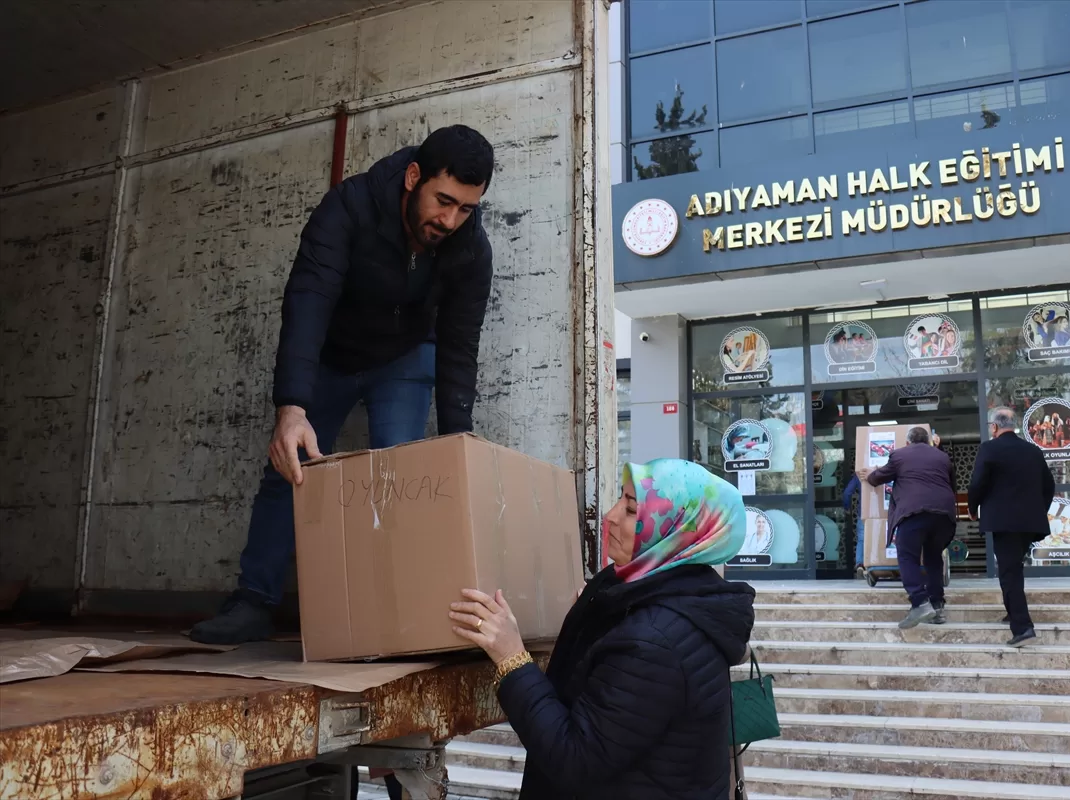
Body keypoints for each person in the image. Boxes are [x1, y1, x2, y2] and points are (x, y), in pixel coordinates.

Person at [190, 126, 496, 645]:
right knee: (289, 468)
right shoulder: (348, 207)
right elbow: (308, 298)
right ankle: (252, 601)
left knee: (401, 479)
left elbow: (459, 344)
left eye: (466, 208)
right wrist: (291, 406)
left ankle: (394, 609)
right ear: (413, 177)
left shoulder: (469, 247)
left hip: (403, 357)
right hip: (332, 355)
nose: (450, 220)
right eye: (443, 202)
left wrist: (457, 438)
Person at [448, 459, 756, 800]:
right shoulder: (667, 592)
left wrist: (512, 659)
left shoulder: (655, 643)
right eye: (619, 500)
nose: (610, 516)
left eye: (631, 509)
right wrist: (594, 613)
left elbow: (576, 760)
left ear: (675, 531)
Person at [968, 407, 1056, 647]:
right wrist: (1039, 509)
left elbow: (978, 483)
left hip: (1004, 523)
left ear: (994, 427)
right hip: (1028, 522)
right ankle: (1012, 610)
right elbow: (1049, 485)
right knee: (1013, 568)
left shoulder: (989, 448)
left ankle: (1023, 627)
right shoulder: (1033, 450)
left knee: (1009, 572)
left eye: (990, 427)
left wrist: (972, 507)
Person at [857, 427, 957, 629]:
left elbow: (879, 478)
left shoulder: (900, 455)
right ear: (928, 440)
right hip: (944, 514)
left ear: (908, 442)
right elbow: (952, 485)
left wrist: (869, 475)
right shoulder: (942, 457)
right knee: (933, 557)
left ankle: (919, 602)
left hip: (913, 512)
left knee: (907, 556)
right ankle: (937, 607)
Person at [843, 472, 865, 573]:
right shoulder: (883, 469)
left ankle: (860, 563)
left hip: (863, 512)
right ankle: (878, 563)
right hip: (881, 511)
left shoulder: (859, 474)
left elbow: (847, 492)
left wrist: (847, 507)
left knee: (861, 539)